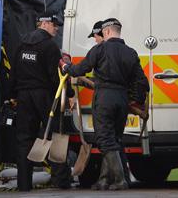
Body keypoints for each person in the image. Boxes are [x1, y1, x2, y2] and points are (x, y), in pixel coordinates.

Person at [60, 18, 147, 190]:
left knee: (105, 139)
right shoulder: (131, 52)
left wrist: (66, 67)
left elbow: (79, 70)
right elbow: (143, 83)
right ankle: (105, 179)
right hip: (122, 100)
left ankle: (120, 180)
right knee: (115, 139)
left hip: (104, 98)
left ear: (106, 32)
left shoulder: (99, 49)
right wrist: (134, 100)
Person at [9, 11, 71, 191]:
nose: (57, 29)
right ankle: (62, 182)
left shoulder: (22, 44)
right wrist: (68, 95)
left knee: (24, 140)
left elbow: (14, 72)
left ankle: (24, 184)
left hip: (24, 97)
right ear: (44, 24)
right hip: (44, 96)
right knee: (56, 135)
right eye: (54, 24)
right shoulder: (49, 46)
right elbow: (56, 76)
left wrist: (11, 94)